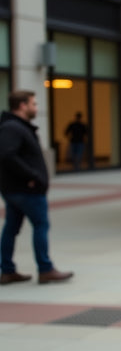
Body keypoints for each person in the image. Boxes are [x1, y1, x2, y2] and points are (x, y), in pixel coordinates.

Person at [0, 90, 74, 285]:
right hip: (25, 190)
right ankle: (45, 268)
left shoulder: (17, 127)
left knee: (11, 228)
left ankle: (8, 270)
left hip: (17, 189)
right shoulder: (13, 128)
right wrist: (31, 176)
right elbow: (8, 155)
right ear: (22, 106)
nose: (36, 108)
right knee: (40, 226)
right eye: (33, 104)